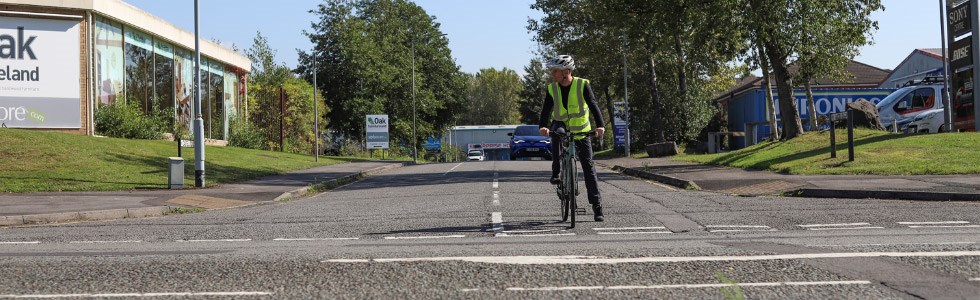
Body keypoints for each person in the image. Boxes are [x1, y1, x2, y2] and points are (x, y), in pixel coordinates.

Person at [538, 55, 607, 222]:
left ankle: (597, 207)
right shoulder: (552, 88)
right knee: (556, 133)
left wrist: (600, 125)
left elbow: (593, 104)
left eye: (555, 70)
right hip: (561, 125)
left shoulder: (582, 84)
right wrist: (543, 126)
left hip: (582, 130)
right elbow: (546, 109)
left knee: (588, 167)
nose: (552, 73)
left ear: (566, 72)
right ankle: (556, 172)